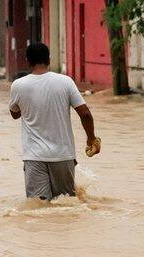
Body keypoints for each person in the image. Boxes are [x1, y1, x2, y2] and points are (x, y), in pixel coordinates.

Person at [8, 42, 97, 200]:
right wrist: (91, 138)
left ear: (28, 61)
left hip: (34, 157)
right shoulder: (65, 82)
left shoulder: (18, 85)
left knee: (38, 207)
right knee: (66, 206)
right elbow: (85, 115)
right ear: (49, 59)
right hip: (63, 156)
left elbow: (15, 114)